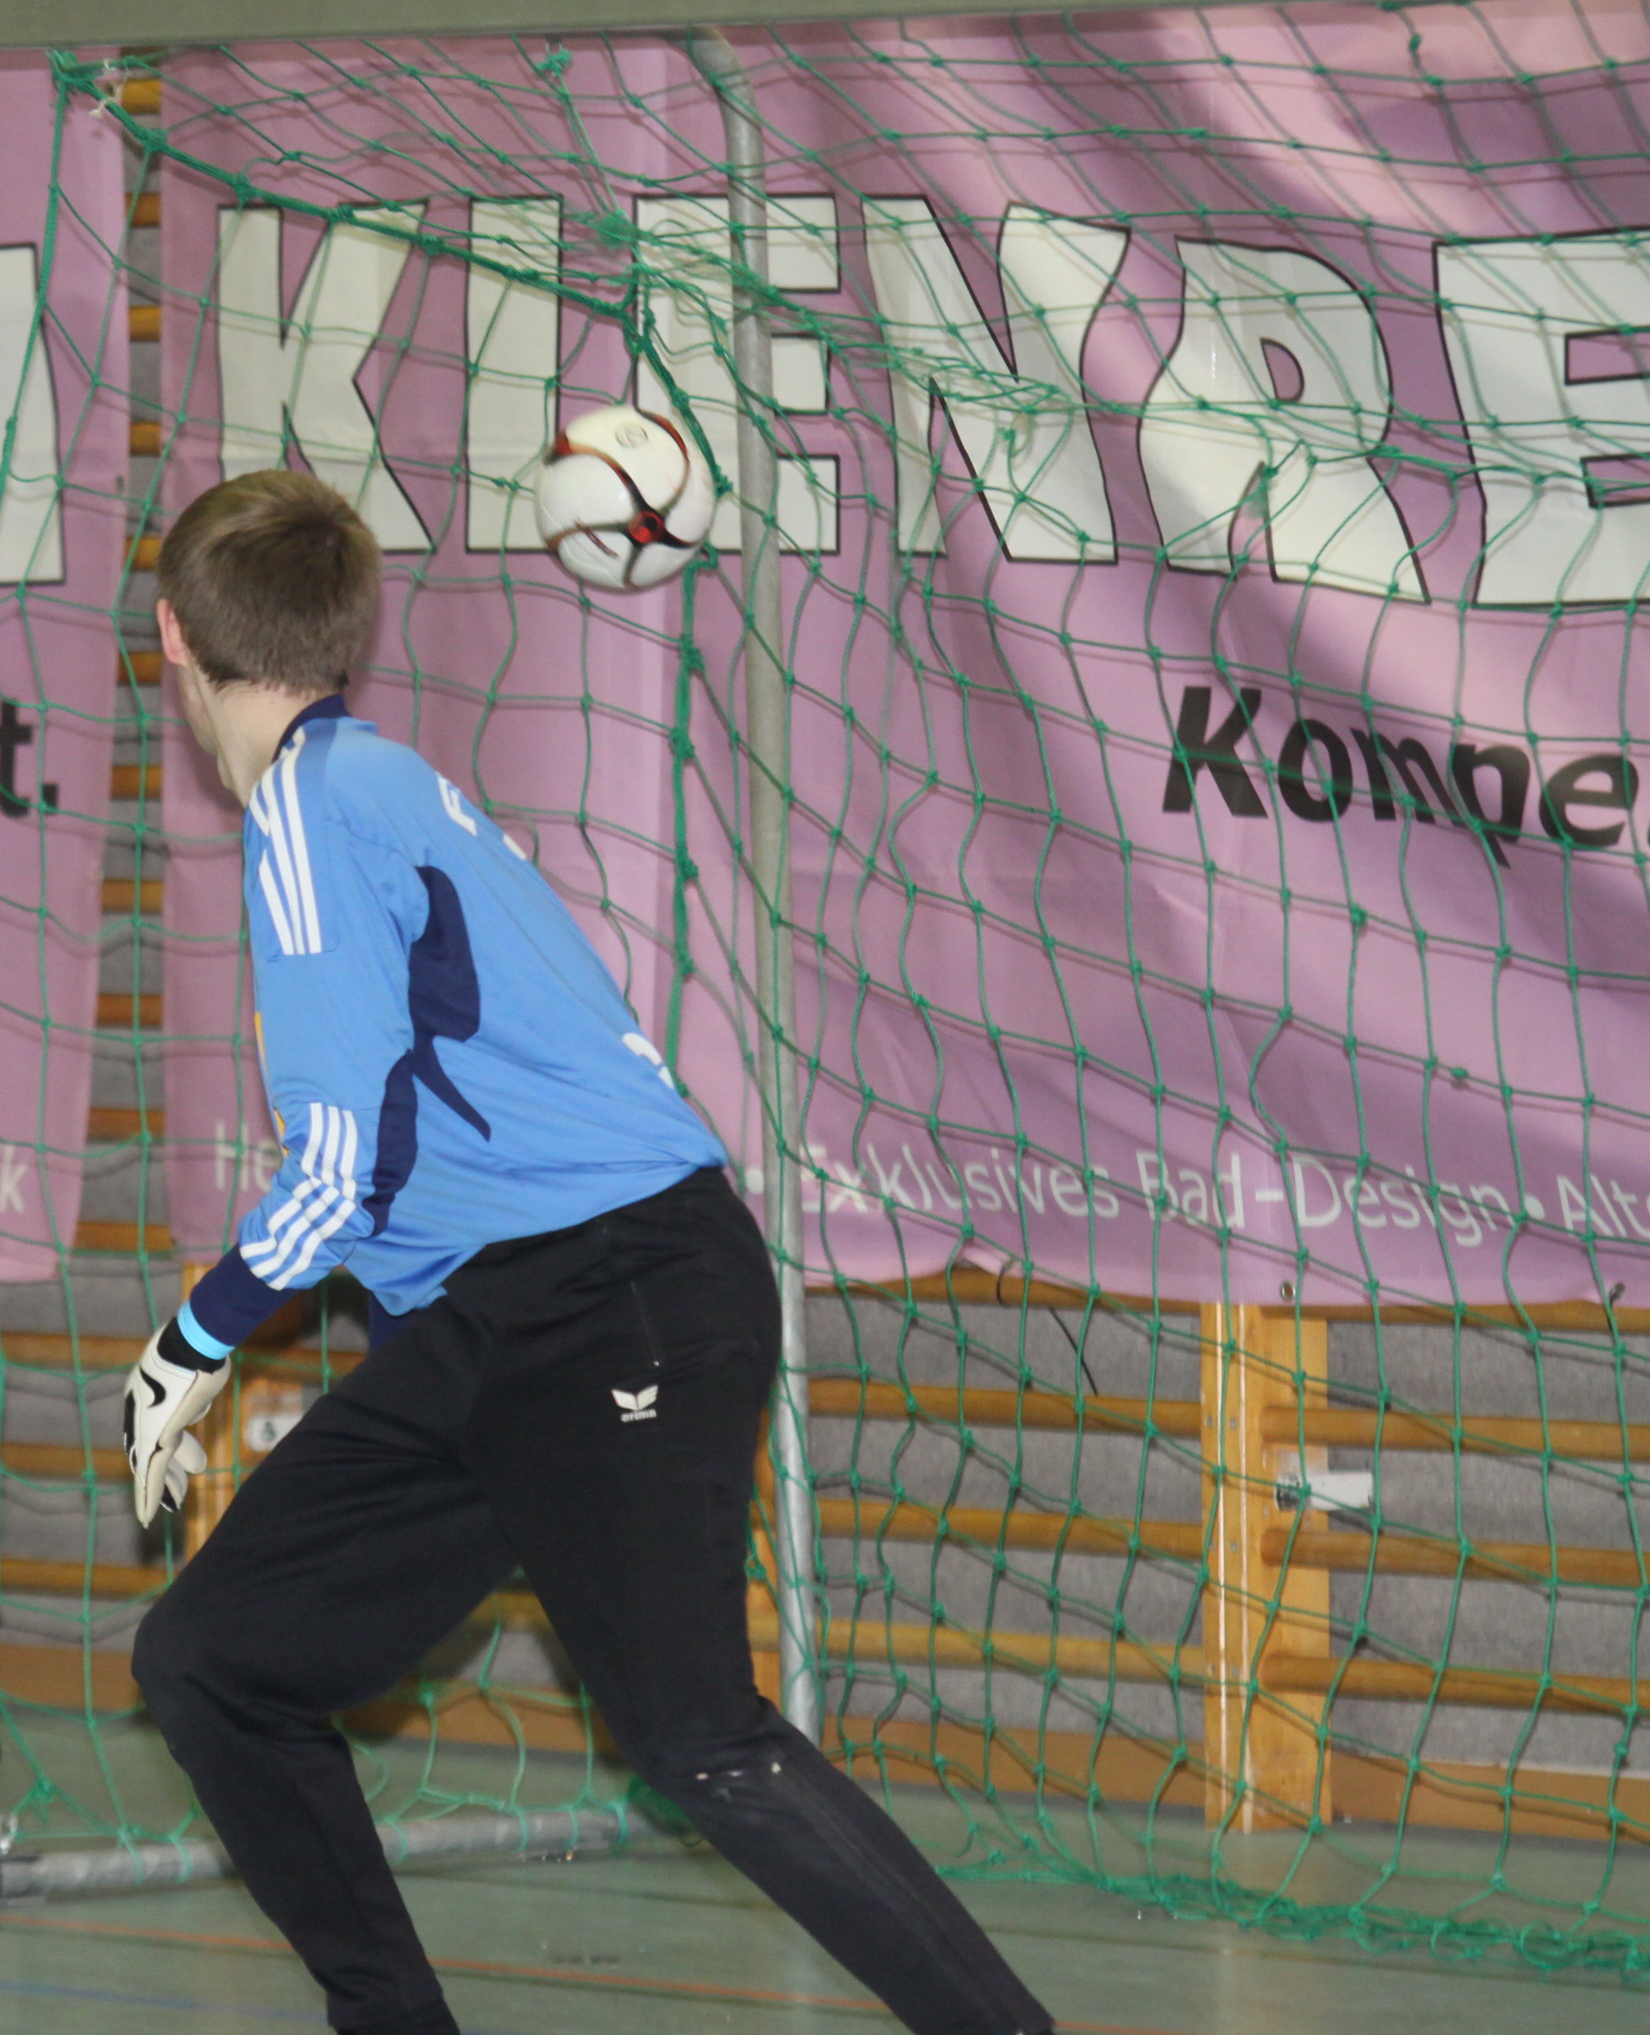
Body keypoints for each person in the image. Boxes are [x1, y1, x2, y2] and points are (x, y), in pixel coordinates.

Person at [119, 470, 1053, 2035]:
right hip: (492, 1325)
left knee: (697, 1735)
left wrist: (194, 1341)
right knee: (212, 1657)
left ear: (170, 637)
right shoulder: (383, 784)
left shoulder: (309, 811)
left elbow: (338, 1169)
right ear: (349, 627)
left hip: (614, 1294)